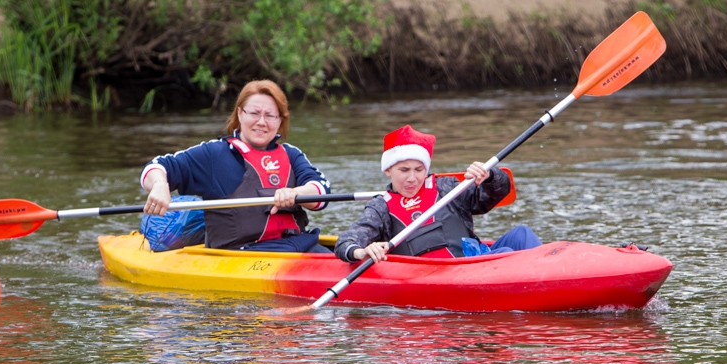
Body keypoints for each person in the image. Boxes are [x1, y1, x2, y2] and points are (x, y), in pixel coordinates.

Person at [141, 79, 331, 253]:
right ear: (240, 114)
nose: (261, 122)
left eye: (270, 115)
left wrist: (296, 193)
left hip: (298, 245)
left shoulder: (291, 154)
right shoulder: (213, 155)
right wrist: (159, 184)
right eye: (255, 113)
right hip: (241, 255)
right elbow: (157, 166)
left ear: (280, 120)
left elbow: (320, 193)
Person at [334, 125, 542, 263]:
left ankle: (553, 274)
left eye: (419, 170)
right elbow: (346, 241)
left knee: (522, 234)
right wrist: (361, 252)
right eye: (404, 170)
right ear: (388, 171)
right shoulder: (381, 207)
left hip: (475, 259)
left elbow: (495, 194)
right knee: (506, 256)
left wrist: (489, 177)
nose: (412, 178)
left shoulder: (447, 188)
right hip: (443, 273)